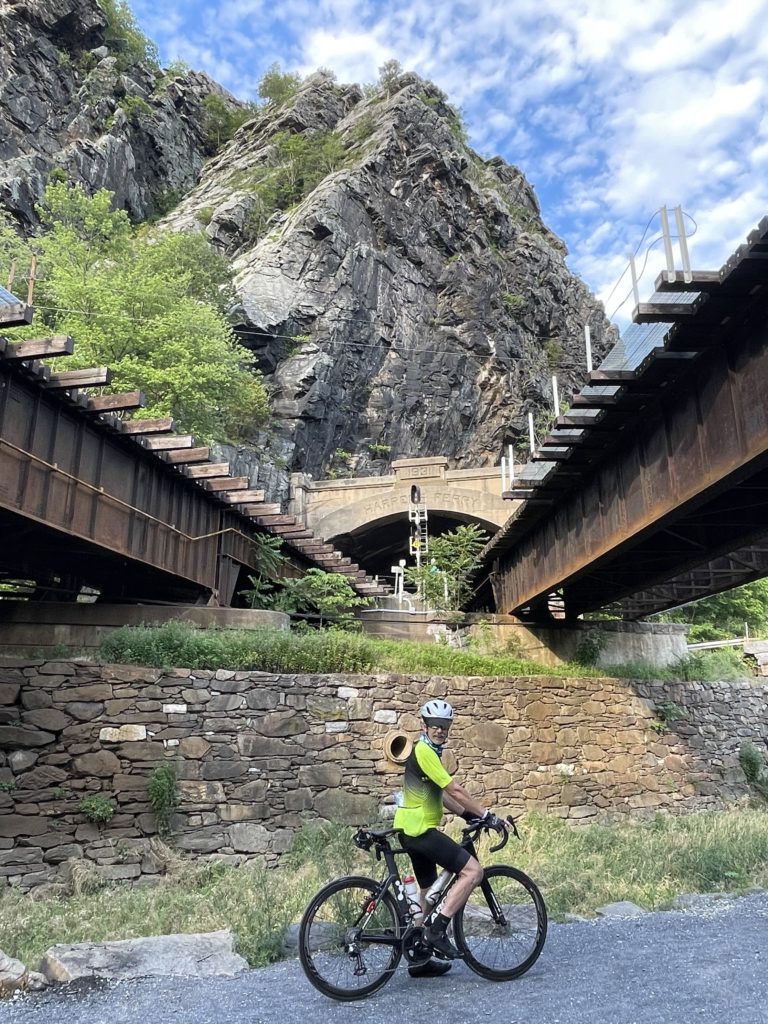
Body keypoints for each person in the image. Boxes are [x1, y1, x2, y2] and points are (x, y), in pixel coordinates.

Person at [393, 698, 508, 978]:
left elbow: (442, 795)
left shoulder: (428, 751)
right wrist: (487, 814)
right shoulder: (425, 752)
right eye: (434, 725)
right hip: (421, 831)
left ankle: (419, 958)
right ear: (424, 725)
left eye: (445, 725)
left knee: (428, 891)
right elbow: (454, 790)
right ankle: (437, 930)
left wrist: (468, 816)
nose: (440, 729)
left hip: (410, 830)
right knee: (473, 871)